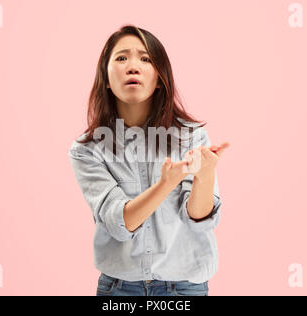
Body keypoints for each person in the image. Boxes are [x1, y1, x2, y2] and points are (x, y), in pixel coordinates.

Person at [68, 24, 230, 296]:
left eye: (145, 59)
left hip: (185, 289)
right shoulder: (88, 150)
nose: (133, 66)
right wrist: (166, 184)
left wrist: (206, 175)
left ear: (159, 77)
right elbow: (120, 223)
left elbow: (199, 220)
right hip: (119, 291)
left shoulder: (191, 137)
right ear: (106, 78)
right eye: (121, 58)